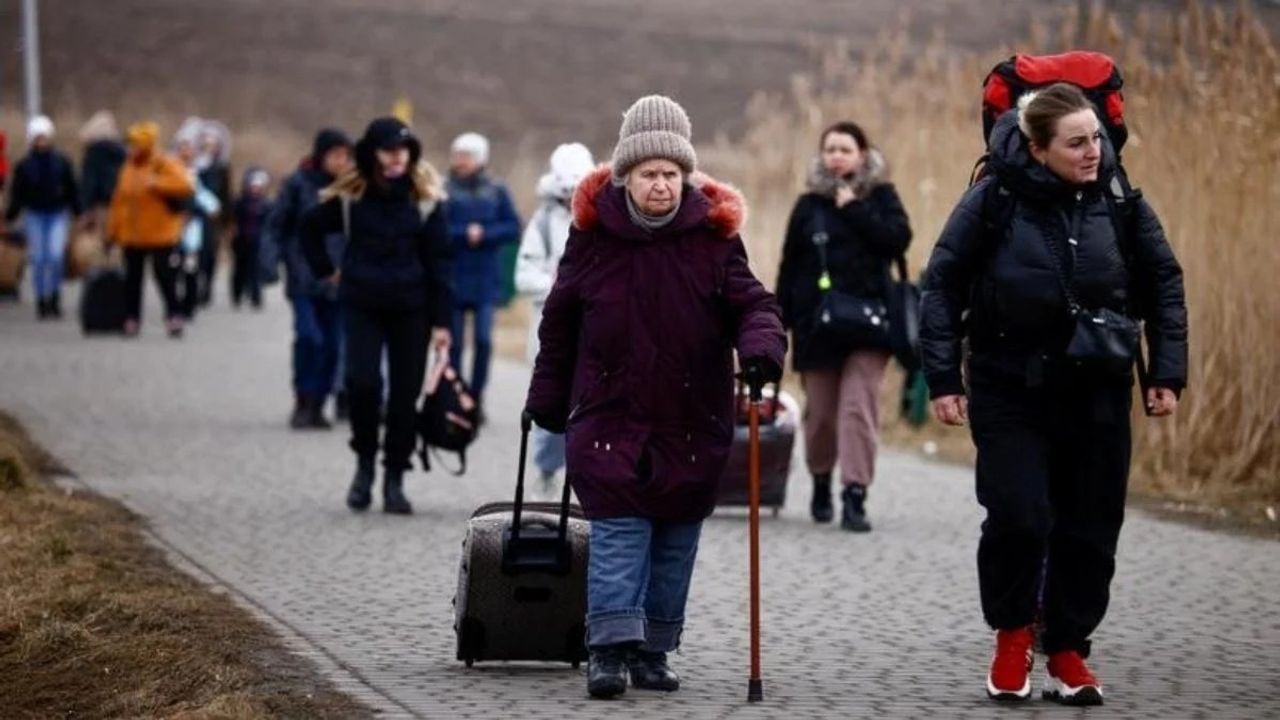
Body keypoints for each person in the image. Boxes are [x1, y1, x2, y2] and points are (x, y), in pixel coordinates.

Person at [919, 83, 1187, 705]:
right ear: (1038, 149)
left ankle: (1068, 649)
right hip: (1009, 386)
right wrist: (942, 380)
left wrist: (1166, 374)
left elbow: (1163, 284)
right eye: (1076, 142)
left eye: (1096, 138)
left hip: (1098, 388)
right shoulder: (993, 200)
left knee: (1091, 527)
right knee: (1020, 514)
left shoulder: (1119, 200)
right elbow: (942, 285)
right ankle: (1013, 635)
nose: (1093, 151)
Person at [525, 95, 785, 699]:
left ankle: (654, 650)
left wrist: (761, 351)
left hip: (690, 416)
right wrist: (546, 396)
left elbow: (754, 305)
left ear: (686, 176)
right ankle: (609, 651)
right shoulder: (592, 239)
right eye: (649, 174)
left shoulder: (714, 241)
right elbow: (560, 321)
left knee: (674, 535)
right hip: (609, 412)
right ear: (626, 177)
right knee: (619, 531)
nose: (662, 185)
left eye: (671, 173)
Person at [301, 117, 453, 514]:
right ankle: (365, 464)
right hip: (362, 304)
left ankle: (394, 478)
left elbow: (441, 266)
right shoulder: (352, 197)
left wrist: (442, 324)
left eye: (403, 150)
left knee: (405, 397)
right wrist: (325, 271)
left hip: (412, 309)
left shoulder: (425, 200)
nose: (397, 157)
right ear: (372, 153)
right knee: (362, 386)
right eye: (388, 149)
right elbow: (308, 227)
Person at [774, 121, 912, 532]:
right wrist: (776, 324)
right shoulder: (807, 205)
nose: (836, 156)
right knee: (821, 416)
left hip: (870, 323)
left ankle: (854, 494)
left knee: (857, 409)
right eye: (829, 149)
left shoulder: (882, 197)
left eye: (845, 149)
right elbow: (789, 266)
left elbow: (897, 240)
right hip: (817, 325)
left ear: (863, 156)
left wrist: (854, 207)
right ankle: (820, 478)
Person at [515, 141, 595, 497]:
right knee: (553, 402)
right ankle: (547, 470)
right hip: (551, 330)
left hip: (594, 329)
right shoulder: (543, 223)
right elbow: (522, 274)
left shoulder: (601, 220)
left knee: (589, 404)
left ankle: (585, 477)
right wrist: (554, 286)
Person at [262, 129, 354, 430]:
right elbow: (276, 226)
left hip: (341, 281)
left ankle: (318, 403)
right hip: (303, 275)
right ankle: (302, 398)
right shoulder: (298, 184)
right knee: (309, 337)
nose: (342, 161)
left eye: (346, 155)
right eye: (336, 155)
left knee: (333, 346)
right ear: (321, 154)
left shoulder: (354, 188)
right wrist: (270, 261)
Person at [445, 131, 521, 419]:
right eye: (457, 155)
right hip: (453, 277)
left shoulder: (497, 190)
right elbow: (436, 231)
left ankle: (476, 397)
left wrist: (485, 234)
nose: (459, 161)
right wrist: (464, 234)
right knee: (452, 343)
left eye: (465, 155)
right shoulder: (444, 189)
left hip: (485, 278)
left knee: (484, 340)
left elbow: (513, 228)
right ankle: (454, 395)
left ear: (479, 159)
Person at [107, 122, 194, 337]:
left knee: (165, 276)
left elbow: (186, 185)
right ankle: (132, 318)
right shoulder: (127, 168)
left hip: (160, 233)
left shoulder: (163, 163)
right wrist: (112, 232)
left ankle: (174, 315)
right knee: (132, 279)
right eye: (130, 145)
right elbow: (119, 202)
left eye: (135, 145)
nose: (131, 149)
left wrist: (157, 183)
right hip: (132, 234)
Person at [4, 115, 82, 320]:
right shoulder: (25, 166)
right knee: (39, 259)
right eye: (38, 138)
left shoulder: (61, 162)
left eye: (44, 137)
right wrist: (10, 216)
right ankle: (42, 298)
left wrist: (78, 212)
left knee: (55, 257)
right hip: (35, 214)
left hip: (57, 213)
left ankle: (55, 296)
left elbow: (72, 189)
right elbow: (18, 194)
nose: (41, 142)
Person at [172, 124, 220, 322]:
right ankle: (175, 304)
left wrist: (195, 211)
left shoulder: (196, 173)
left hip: (192, 229)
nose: (186, 151)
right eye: (182, 147)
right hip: (173, 226)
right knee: (173, 268)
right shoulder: (171, 170)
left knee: (191, 267)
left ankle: (188, 305)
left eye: (189, 147)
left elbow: (207, 201)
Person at [196, 120, 233, 307]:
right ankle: (193, 287)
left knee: (210, 253)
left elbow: (226, 194)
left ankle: (207, 287)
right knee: (195, 253)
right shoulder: (194, 165)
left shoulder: (221, 167)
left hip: (214, 217)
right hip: (195, 216)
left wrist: (228, 221)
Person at [78, 111, 127, 234]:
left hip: (101, 203)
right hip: (122, 201)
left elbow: (89, 182)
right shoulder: (122, 152)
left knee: (102, 235)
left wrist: (86, 207)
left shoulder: (93, 154)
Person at [231, 167, 271, 309]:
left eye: (258, 187)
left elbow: (269, 223)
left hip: (257, 240)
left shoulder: (265, 204)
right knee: (239, 269)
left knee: (255, 269)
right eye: (253, 186)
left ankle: (256, 297)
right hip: (241, 239)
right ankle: (237, 295)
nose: (255, 189)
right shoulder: (240, 202)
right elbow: (232, 220)